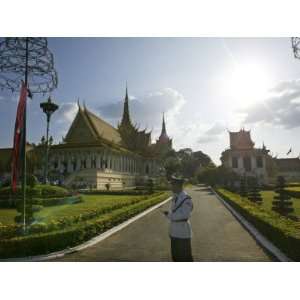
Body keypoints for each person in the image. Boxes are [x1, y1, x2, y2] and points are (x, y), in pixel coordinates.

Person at [163, 176, 194, 262]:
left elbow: (184, 215)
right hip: (174, 232)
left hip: (182, 233)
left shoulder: (186, 199)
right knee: (175, 257)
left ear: (178, 186)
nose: (171, 187)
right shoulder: (175, 197)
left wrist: (169, 215)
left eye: (172, 185)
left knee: (185, 258)